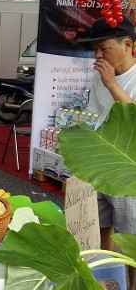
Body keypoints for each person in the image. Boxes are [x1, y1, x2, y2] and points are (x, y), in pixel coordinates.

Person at [78, 16, 136, 290]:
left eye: (104, 49)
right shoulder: (98, 76)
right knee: (99, 228)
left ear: (127, 45)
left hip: (128, 171)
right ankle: (105, 281)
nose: (98, 56)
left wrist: (113, 84)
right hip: (100, 164)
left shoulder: (121, 78)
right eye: (95, 50)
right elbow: (96, 117)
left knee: (131, 241)